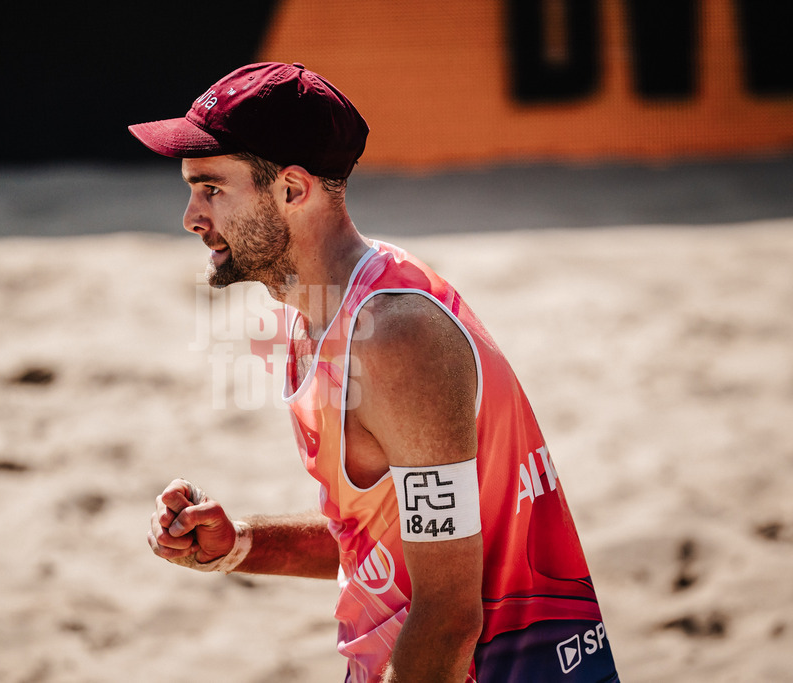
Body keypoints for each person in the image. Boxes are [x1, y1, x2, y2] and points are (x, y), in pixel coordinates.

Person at [132, 62, 619, 682]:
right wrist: (240, 543)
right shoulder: (321, 312)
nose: (191, 217)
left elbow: (448, 616)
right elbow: (391, 544)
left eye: (211, 189)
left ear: (291, 190)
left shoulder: (393, 337)